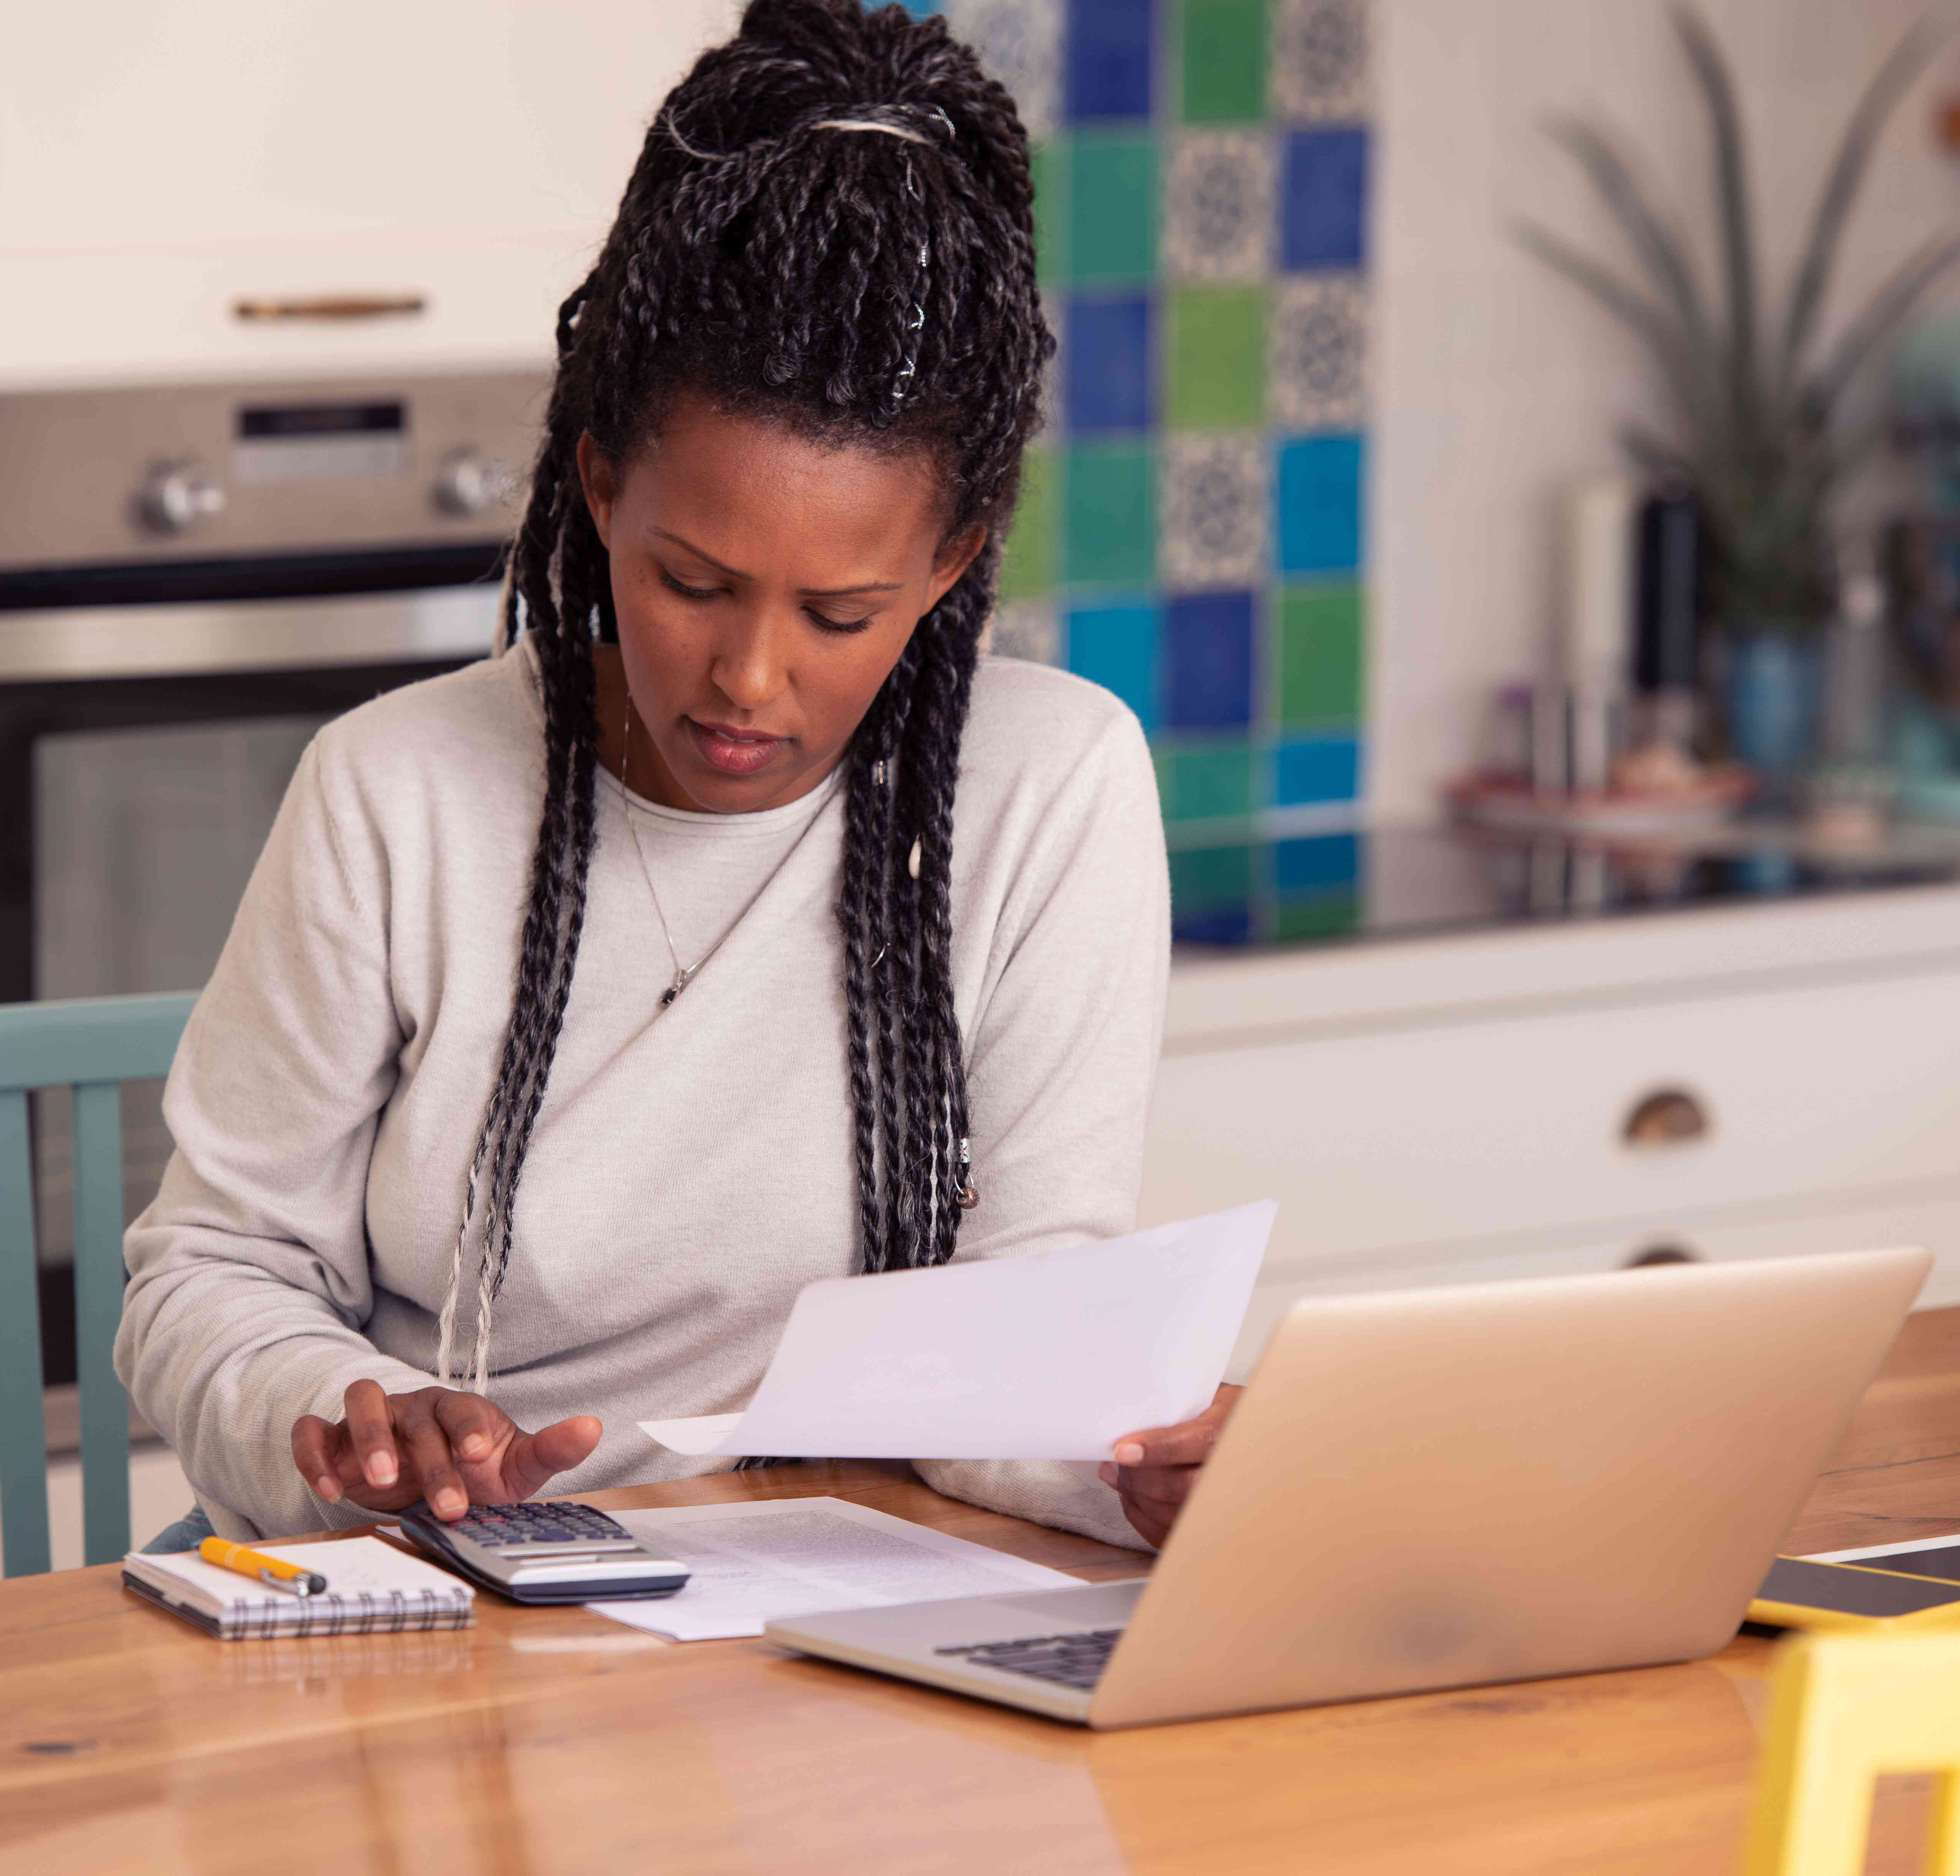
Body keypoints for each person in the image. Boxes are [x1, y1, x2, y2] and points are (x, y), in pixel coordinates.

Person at [117, 0, 1231, 1556]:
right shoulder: (398, 794)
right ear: (599, 484)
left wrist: (1133, 1463)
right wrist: (348, 1417)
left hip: (815, 1620)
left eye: (840, 614)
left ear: (951, 563)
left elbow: (1016, 1344)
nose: (750, 677)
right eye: (691, 582)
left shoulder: (1050, 788)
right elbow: (207, 1273)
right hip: (432, 1605)